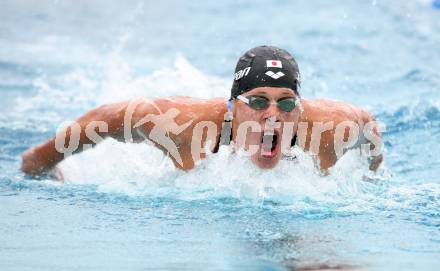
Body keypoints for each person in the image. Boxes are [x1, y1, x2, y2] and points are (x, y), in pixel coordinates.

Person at [21, 46, 383, 178]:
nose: (272, 114)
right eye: (257, 101)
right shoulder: (182, 127)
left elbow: (370, 128)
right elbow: (104, 118)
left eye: (286, 102)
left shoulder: (329, 132)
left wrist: (371, 177)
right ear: (233, 105)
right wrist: (40, 162)